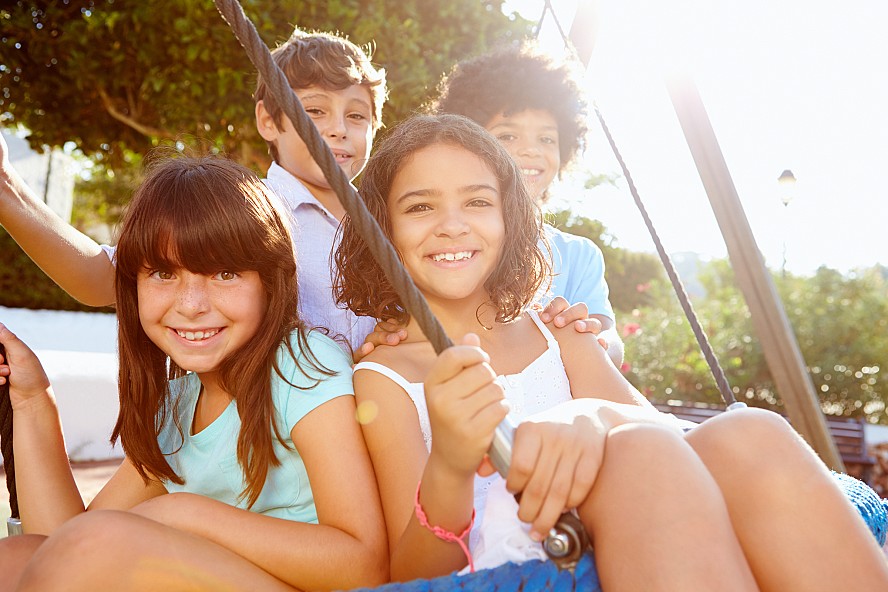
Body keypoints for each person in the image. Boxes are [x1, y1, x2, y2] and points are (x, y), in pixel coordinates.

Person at [333, 114, 888, 590]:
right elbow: (410, 573)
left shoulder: (560, 333)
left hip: (647, 523)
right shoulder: (388, 376)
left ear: (510, 218)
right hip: (526, 564)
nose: (452, 225)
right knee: (641, 451)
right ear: (383, 225)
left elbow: (680, 444)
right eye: (421, 207)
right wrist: (451, 464)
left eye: (477, 201)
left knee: (752, 431)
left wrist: (590, 414)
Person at [0, 156, 387, 592]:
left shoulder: (302, 365)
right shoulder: (178, 406)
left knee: (102, 543)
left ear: (271, 282)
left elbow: (363, 564)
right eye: (163, 273)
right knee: (16, 558)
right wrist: (32, 398)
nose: (190, 304)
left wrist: (183, 514)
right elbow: (62, 545)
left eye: (225, 273)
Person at [0, 28, 387, 351]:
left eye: (356, 115)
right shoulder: (250, 207)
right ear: (269, 121)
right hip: (281, 425)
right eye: (316, 111)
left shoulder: (389, 218)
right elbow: (100, 277)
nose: (339, 128)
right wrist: (8, 190)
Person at [429, 42, 623, 364]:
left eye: (546, 138)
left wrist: (597, 342)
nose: (531, 151)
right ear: (466, 143)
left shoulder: (578, 255)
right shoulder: (450, 239)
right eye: (507, 136)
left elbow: (608, 337)